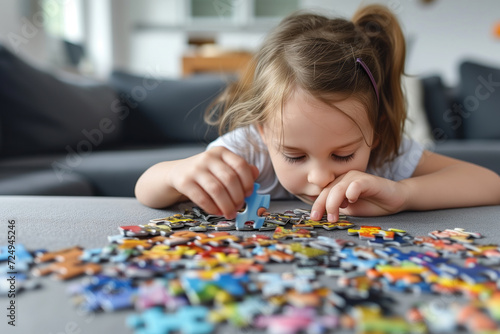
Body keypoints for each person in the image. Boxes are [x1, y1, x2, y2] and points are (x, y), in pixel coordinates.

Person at [135, 4, 500, 222]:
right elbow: (146, 190)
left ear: (374, 131)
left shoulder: (386, 152)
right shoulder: (247, 152)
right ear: (262, 130)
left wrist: (402, 194)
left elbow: (491, 185)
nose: (320, 176)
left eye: (343, 154)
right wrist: (175, 174)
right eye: (293, 155)